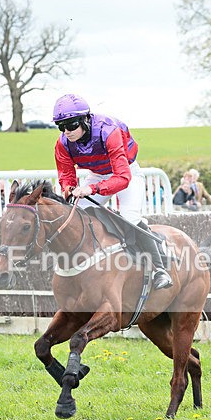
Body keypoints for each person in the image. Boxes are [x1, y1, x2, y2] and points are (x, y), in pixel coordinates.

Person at [52, 93, 172, 289]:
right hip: (98, 174)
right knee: (76, 213)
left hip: (127, 173)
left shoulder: (108, 131)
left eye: (72, 124)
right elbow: (66, 175)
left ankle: (160, 269)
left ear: (85, 120)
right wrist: (68, 189)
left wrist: (91, 188)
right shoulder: (63, 143)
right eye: (61, 126)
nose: (67, 131)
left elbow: (122, 178)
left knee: (130, 216)